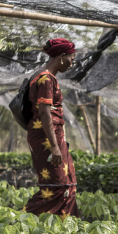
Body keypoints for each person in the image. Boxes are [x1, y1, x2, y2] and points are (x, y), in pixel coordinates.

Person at [24, 38, 79, 217]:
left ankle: (65, 227)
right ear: (62, 56)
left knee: (66, 184)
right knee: (57, 186)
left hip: (49, 137)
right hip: (47, 140)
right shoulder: (46, 78)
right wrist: (54, 146)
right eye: (72, 58)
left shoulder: (42, 75)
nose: (72, 63)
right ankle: (16, 223)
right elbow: (45, 113)